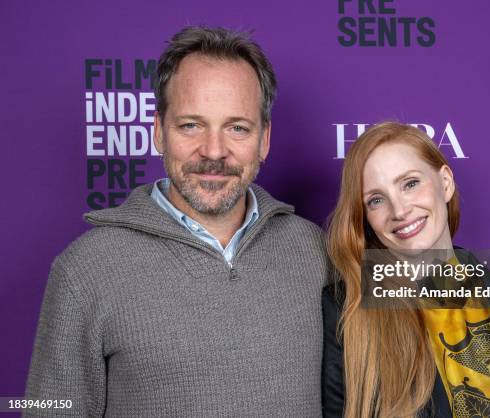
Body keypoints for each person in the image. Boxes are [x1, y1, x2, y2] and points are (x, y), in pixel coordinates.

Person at [25, 26, 328, 417]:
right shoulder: (84, 270)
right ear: (158, 132)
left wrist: (425, 203)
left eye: (237, 127)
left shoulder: (315, 249)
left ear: (264, 140)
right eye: (191, 125)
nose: (214, 151)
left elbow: (421, 300)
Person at [322, 122, 490, 417]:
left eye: (410, 183)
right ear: (366, 218)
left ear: (445, 182)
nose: (399, 211)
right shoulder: (344, 311)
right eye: (376, 200)